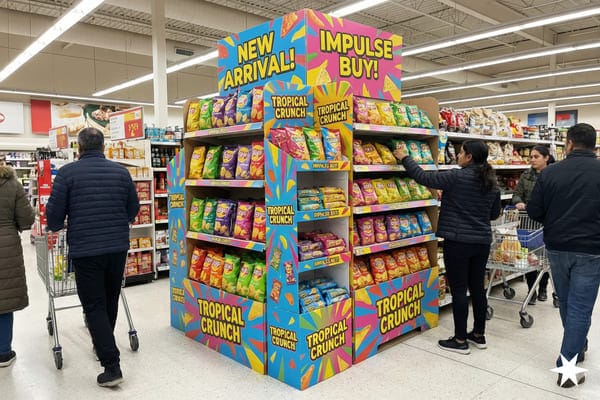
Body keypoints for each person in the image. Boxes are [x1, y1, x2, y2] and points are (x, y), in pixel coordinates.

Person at [46, 128, 140, 387]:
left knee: (94, 305)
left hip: (87, 250)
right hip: (117, 248)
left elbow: (53, 218)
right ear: (103, 148)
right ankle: (104, 345)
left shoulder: (66, 174)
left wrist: (62, 221)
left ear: (79, 149)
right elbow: (133, 208)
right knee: (110, 299)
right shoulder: (122, 172)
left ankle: (111, 366)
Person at [394, 140, 501, 355]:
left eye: (461, 153)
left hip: (458, 241)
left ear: (469, 156)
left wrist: (404, 157)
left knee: (460, 290)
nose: (458, 156)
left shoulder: (457, 176)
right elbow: (494, 214)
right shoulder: (491, 181)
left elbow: (424, 178)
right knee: (478, 289)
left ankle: (460, 340)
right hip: (481, 242)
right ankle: (478, 335)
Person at [527, 123, 600, 388]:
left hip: (557, 247)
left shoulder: (550, 173)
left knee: (568, 302)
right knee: (580, 306)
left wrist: (555, 217)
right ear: (594, 145)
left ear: (568, 144)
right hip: (592, 250)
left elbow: (534, 211)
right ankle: (569, 360)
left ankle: (572, 353)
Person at [0, 154, 36, 367]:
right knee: (4, 300)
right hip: (6, 246)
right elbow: (27, 218)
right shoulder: (11, 183)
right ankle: (3, 352)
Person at [511, 145, 555, 304]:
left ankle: (543, 288)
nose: (532, 160)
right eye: (531, 157)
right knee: (529, 257)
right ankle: (532, 290)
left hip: (546, 223)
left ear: (546, 158)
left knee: (544, 259)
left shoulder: (553, 175)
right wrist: (519, 202)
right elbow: (516, 194)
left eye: (536, 157)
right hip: (527, 222)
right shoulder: (526, 175)